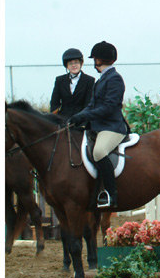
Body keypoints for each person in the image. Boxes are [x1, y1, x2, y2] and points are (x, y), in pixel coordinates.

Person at [68, 41, 128, 209]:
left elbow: (109, 107)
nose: (94, 61)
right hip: (98, 126)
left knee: (99, 151)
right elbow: (92, 105)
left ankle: (111, 194)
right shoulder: (101, 80)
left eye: (95, 58)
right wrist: (78, 117)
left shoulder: (115, 79)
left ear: (100, 59)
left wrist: (85, 115)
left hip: (112, 127)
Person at [50, 48, 95, 117]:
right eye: (70, 63)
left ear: (81, 63)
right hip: (63, 119)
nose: (74, 65)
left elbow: (88, 104)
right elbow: (54, 103)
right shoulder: (59, 80)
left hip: (82, 119)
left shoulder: (89, 80)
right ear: (66, 66)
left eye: (76, 62)